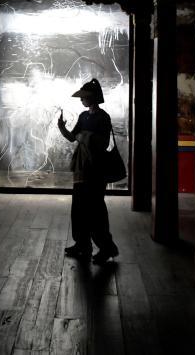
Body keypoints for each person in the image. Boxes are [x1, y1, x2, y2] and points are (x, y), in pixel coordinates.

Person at [57, 78, 119, 264]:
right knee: (78, 208)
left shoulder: (103, 117)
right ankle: (82, 244)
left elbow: (103, 143)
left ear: (93, 97)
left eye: (84, 96)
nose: (81, 99)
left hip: (96, 169)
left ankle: (106, 248)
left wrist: (84, 136)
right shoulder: (83, 116)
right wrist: (62, 127)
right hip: (81, 168)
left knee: (95, 210)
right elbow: (72, 137)